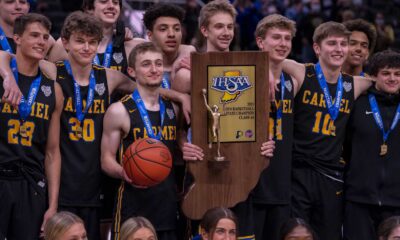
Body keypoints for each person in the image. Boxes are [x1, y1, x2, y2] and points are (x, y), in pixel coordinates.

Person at [281, 21, 374, 239]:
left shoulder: (356, 84)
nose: (339, 49)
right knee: (297, 234)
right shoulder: (303, 72)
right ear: (316, 48)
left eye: (343, 44)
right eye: (332, 43)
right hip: (299, 172)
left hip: (331, 175)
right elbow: (265, 59)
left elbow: (388, 82)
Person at [101, 42, 183, 240]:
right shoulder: (118, 111)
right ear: (131, 71)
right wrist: (124, 172)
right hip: (133, 205)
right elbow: (106, 159)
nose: (154, 69)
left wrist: (185, 148)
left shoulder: (174, 108)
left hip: (168, 205)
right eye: (146, 64)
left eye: (158, 63)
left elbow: (177, 149)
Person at [0, 13, 63, 239]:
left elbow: (53, 152)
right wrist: (6, 73)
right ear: (17, 38)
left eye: (45, 37)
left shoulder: (53, 90)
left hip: (31, 183)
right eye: (34, 35)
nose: (41, 42)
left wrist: (52, 205)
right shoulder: (3, 77)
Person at [343, 50, 400, 240]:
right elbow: (346, 147)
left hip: (396, 201)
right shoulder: (358, 104)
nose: (392, 78)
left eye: (397, 74)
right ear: (374, 76)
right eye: (386, 73)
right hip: (359, 199)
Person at [251, 13, 297, 240]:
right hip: (250, 185)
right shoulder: (244, 78)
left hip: (281, 185)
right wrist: (261, 67)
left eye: (287, 39)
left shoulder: (293, 81)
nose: (283, 44)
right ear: (260, 42)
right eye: (276, 38)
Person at [172, 0, 236, 94]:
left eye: (230, 27)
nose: (226, 33)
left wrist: (203, 71)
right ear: (205, 31)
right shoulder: (186, 75)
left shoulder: (249, 69)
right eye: (219, 27)